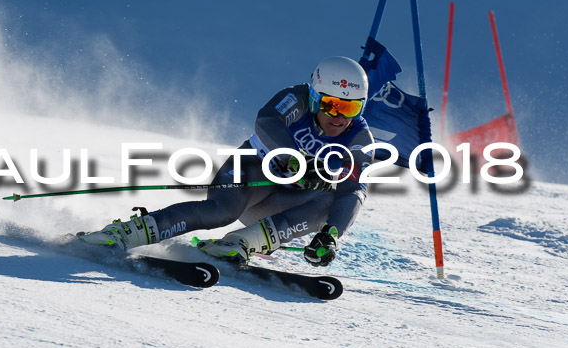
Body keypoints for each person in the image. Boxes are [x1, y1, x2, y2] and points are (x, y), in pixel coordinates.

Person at [79, 56, 375, 267]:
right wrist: (295, 159)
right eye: (331, 105)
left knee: (330, 201)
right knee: (219, 212)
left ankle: (240, 243)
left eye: (350, 107)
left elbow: (354, 191)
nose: (340, 116)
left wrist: (330, 236)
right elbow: (267, 121)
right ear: (314, 97)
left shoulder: (360, 140)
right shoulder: (295, 99)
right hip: (251, 173)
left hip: (282, 205)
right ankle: (122, 233)